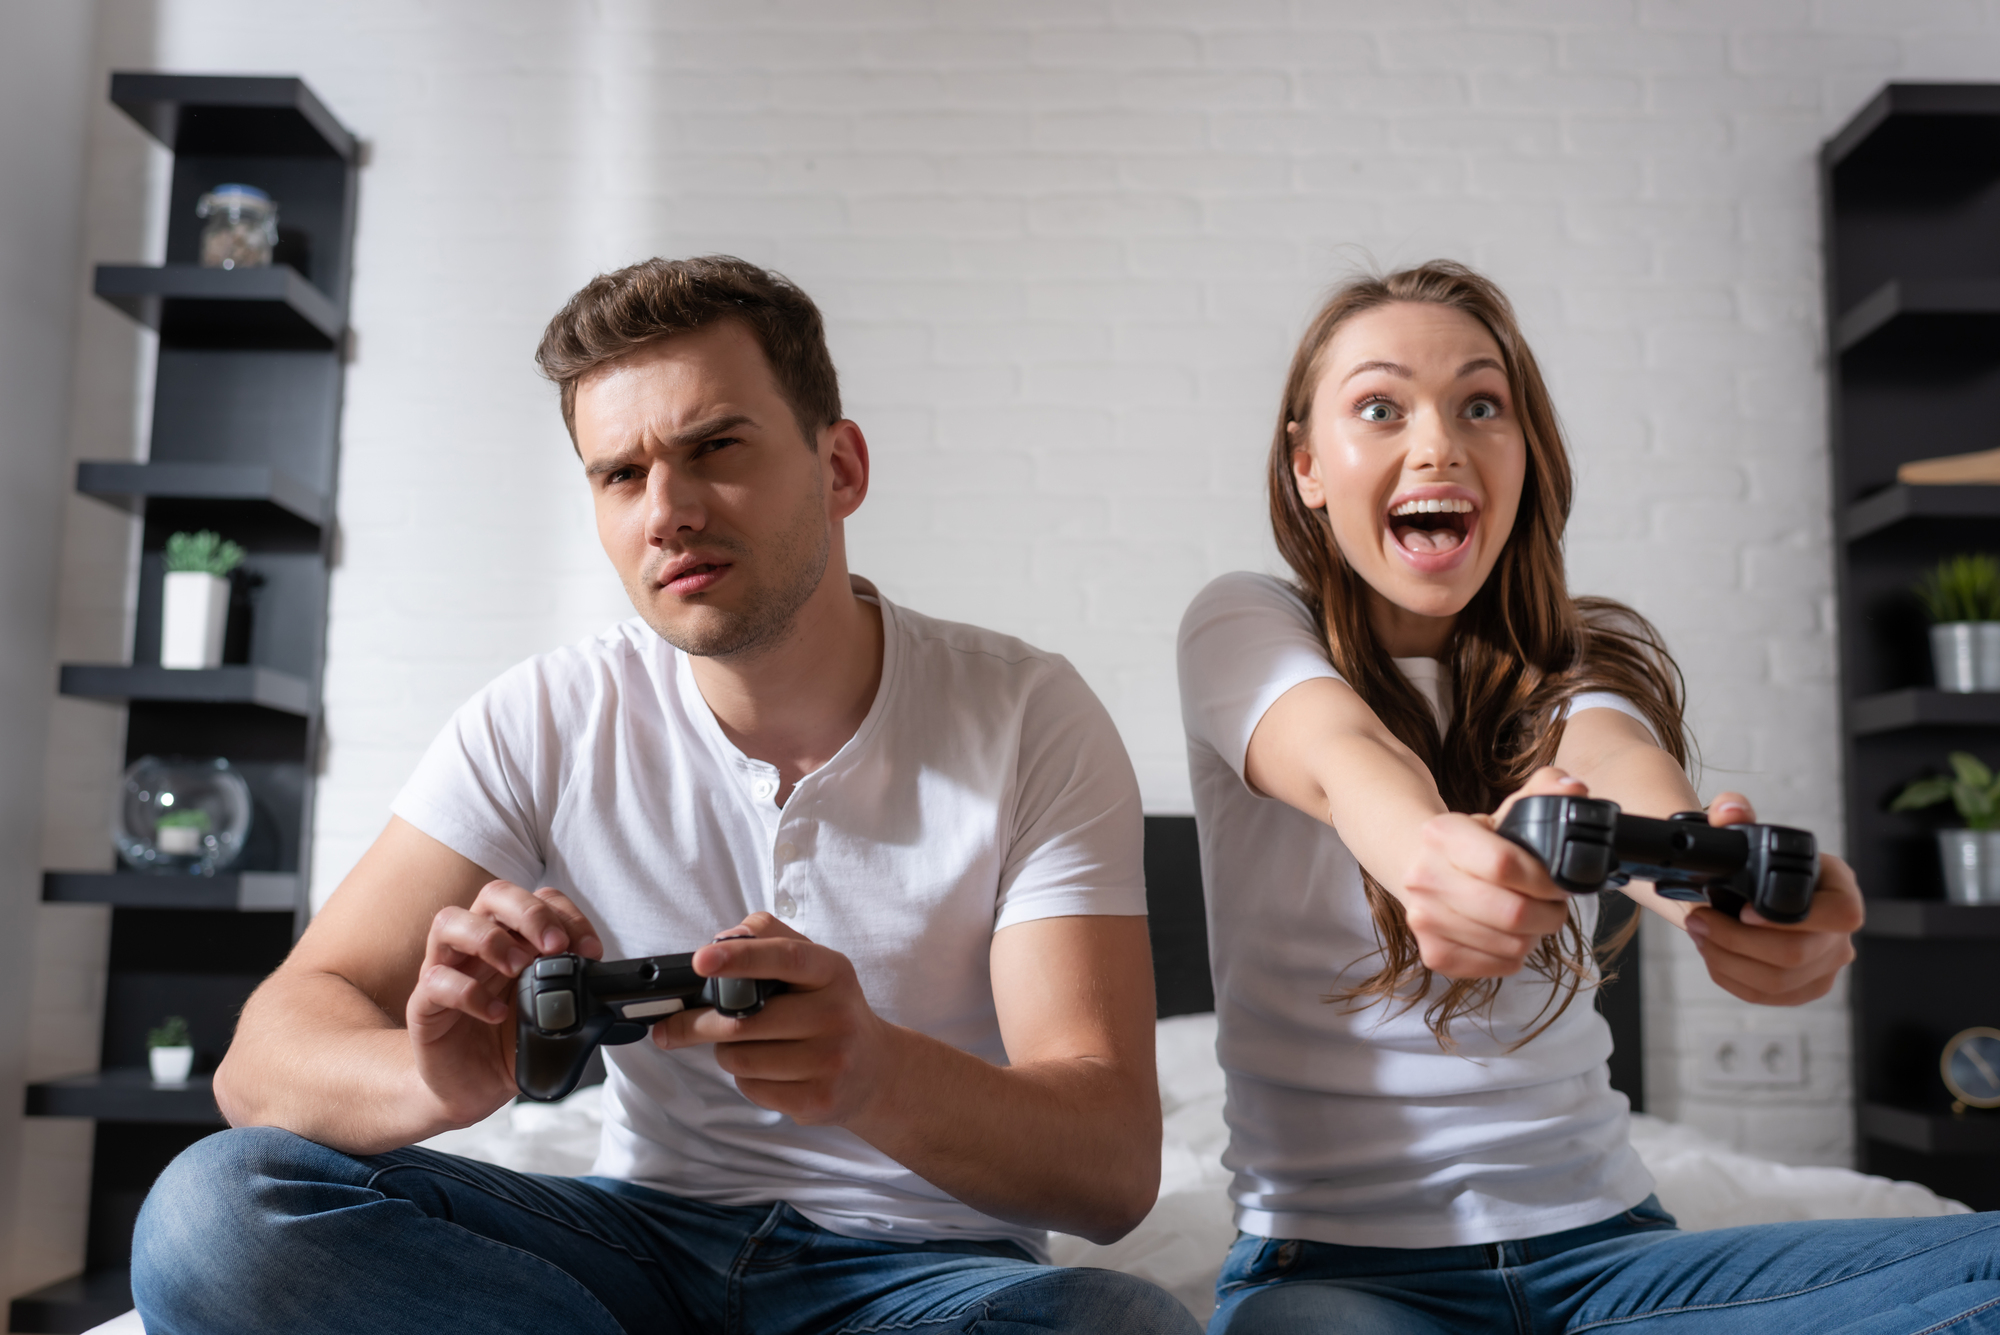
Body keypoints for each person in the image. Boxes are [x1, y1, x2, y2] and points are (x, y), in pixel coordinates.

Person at [132, 255, 1199, 1335]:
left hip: (923, 1281)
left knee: (1118, 1327)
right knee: (210, 1217)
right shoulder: (543, 717)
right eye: (619, 475)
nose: (668, 512)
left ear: (840, 468)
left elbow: (1108, 1173)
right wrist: (434, 1081)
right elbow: (263, 1061)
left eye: (715, 449)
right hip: (624, 1250)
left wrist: (874, 1073)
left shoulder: (1025, 717)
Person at [1178, 261, 2000, 1333]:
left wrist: (1731, 896)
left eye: (1482, 405)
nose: (1436, 443)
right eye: (1378, 408)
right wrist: (1431, 851)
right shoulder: (1243, 625)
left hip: (1610, 1258)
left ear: (1523, 457)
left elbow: (1623, 780)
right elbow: (1344, 761)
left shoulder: (1574, 665)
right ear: (1306, 470)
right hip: (1336, 1275)